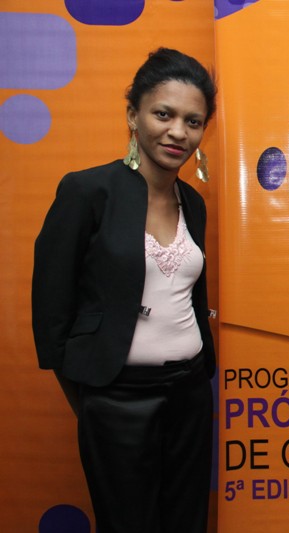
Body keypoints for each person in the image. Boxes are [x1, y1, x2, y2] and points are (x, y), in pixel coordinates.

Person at [32, 47, 217, 533]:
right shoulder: (87, 191)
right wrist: (91, 399)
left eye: (193, 121)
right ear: (133, 115)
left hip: (190, 394)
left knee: (187, 523)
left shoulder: (194, 204)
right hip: (116, 397)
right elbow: (51, 307)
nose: (178, 132)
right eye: (163, 114)